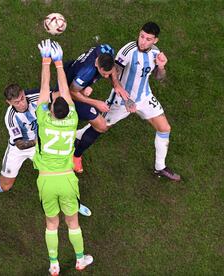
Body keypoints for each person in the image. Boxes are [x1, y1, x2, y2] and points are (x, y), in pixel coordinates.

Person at [0, 85, 91, 216]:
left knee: (60, 173)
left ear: (23, 93)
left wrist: (81, 91)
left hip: (39, 147)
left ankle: (74, 204)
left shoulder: (34, 97)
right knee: (5, 186)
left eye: (22, 98)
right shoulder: (11, 118)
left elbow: (61, 94)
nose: (22, 103)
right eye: (17, 102)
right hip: (19, 150)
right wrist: (39, 141)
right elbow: (20, 144)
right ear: (9, 103)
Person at [76, 22, 181, 181]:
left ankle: (159, 167)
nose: (143, 41)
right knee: (101, 126)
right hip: (120, 100)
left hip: (145, 97)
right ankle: (76, 141)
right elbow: (113, 75)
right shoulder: (127, 51)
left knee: (165, 128)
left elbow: (159, 78)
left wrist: (161, 67)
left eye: (148, 39)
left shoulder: (156, 53)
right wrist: (125, 99)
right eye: (141, 36)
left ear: (155, 41)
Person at [35, 39, 93, 276]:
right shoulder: (72, 121)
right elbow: (66, 92)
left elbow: (43, 87)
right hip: (67, 179)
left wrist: (46, 61)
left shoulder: (43, 120)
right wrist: (59, 64)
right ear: (67, 111)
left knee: (51, 224)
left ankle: (54, 264)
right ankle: (80, 260)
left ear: (50, 111)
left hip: (46, 180)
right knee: (72, 223)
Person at [63, 43, 135, 173]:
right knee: (101, 126)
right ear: (97, 65)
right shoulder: (86, 72)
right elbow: (73, 92)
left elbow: (112, 70)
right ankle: (75, 155)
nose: (106, 76)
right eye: (104, 74)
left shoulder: (106, 50)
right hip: (68, 92)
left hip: (76, 78)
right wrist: (96, 103)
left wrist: (116, 84)